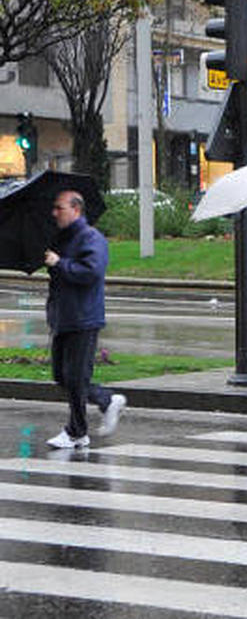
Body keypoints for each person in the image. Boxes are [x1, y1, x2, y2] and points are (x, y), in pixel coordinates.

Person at [43, 190, 126, 449]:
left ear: (76, 209)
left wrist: (60, 263)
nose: (55, 212)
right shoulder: (61, 238)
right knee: (62, 376)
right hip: (63, 316)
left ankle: (77, 432)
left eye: (60, 208)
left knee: (76, 377)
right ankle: (106, 400)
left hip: (83, 317)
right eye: (54, 208)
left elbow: (91, 272)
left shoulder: (91, 238)